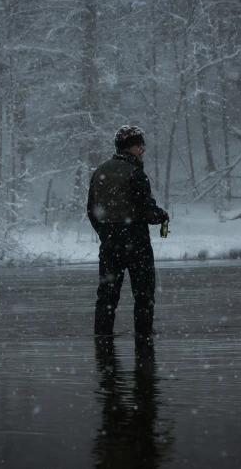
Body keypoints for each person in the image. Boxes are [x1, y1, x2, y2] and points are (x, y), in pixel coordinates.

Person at [87, 126, 169, 336]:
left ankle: (103, 342)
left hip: (109, 244)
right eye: (139, 145)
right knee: (143, 295)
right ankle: (144, 340)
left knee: (107, 296)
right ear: (128, 147)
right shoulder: (135, 173)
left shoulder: (99, 172)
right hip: (136, 243)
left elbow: (91, 210)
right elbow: (146, 210)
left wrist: (106, 233)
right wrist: (162, 215)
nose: (143, 149)